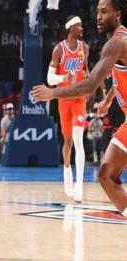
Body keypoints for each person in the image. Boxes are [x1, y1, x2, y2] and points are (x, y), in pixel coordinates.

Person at [33, 0, 127, 214]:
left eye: (104, 12)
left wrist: (52, 93)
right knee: (106, 174)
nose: (98, 17)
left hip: (75, 99)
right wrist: (109, 98)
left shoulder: (116, 43)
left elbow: (90, 84)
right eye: (97, 12)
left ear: (118, 15)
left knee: (104, 171)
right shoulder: (117, 43)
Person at [45, 15, 89, 202]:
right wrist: (64, 78)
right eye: (79, 26)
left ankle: (79, 184)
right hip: (64, 99)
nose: (82, 28)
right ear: (71, 28)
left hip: (79, 98)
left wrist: (89, 79)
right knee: (68, 141)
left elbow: (85, 69)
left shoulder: (84, 48)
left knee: (79, 140)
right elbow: (49, 79)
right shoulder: (59, 49)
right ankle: (67, 170)